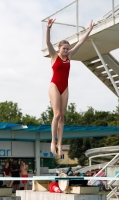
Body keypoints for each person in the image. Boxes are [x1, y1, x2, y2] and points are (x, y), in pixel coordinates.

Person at [46, 19, 94, 156]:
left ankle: (60, 144)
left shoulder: (70, 56)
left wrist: (89, 30)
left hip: (65, 87)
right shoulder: (54, 55)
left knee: (62, 117)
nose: (66, 51)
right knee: (56, 114)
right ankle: (53, 142)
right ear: (59, 48)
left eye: (67, 48)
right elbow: (48, 43)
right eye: (64, 48)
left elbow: (80, 42)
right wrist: (48, 28)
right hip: (54, 85)